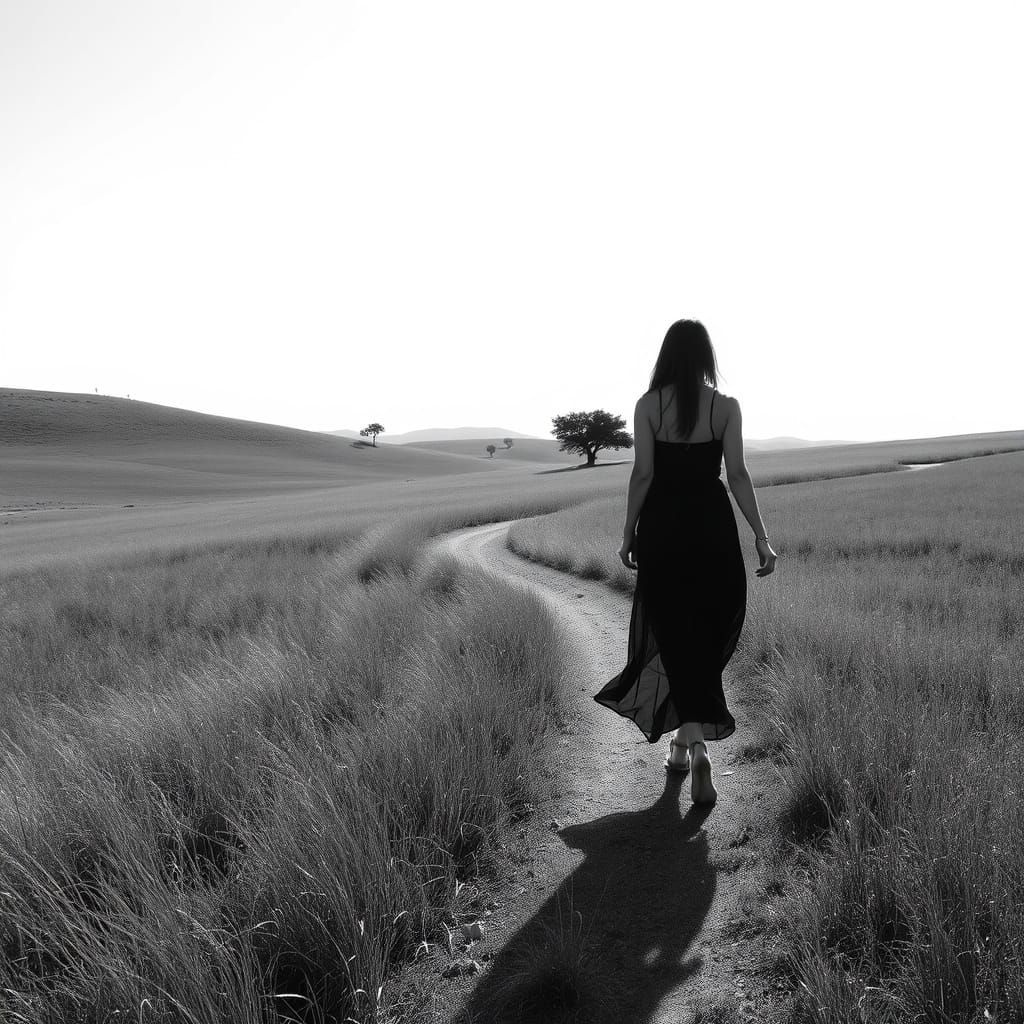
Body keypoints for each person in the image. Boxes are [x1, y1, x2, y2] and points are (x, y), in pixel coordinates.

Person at [593, 320, 777, 805]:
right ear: (705, 357)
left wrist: (628, 532)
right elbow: (736, 473)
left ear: (667, 356)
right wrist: (761, 536)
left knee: (674, 634)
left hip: (664, 531)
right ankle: (685, 746)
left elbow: (643, 473)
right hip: (713, 530)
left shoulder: (648, 405)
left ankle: (692, 746)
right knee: (703, 635)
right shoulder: (726, 408)